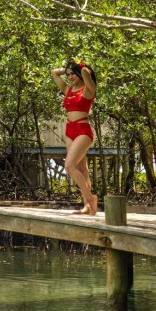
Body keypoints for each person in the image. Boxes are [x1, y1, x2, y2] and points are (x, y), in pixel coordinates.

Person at [51, 60, 98, 215]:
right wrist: (67, 69)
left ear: (79, 73)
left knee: (69, 165)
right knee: (82, 169)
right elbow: (53, 72)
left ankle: (91, 198)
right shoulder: (68, 90)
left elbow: (86, 74)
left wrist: (82, 68)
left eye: (73, 74)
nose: (70, 77)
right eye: (68, 74)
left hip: (83, 131)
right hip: (70, 130)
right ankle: (87, 206)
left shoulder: (88, 90)